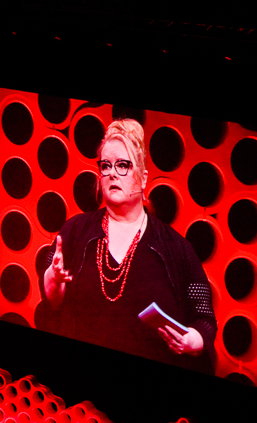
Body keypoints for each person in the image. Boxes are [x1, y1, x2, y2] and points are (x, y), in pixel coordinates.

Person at [38, 119, 217, 370]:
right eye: (106, 165)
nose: (112, 173)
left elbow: (205, 322)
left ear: (143, 179)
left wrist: (190, 340)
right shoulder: (74, 231)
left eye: (122, 165)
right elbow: (52, 304)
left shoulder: (177, 249)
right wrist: (54, 279)